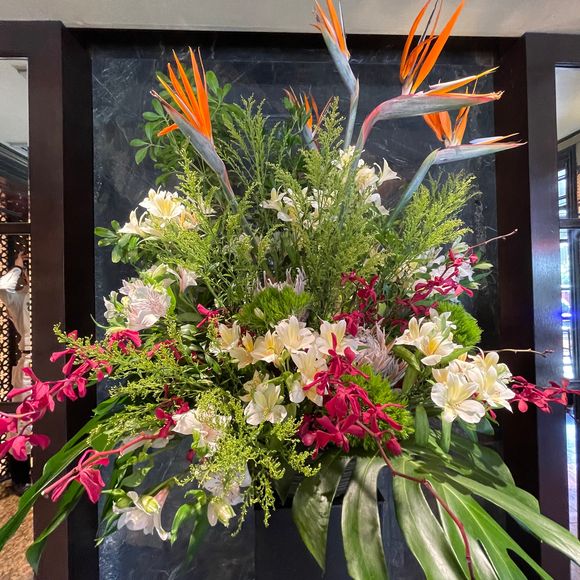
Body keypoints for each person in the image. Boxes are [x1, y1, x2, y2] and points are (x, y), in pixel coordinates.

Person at [0, 251, 31, 494]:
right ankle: (20, 479)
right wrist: (18, 267)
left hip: (56, 361)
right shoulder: (21, 298)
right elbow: (2, 287)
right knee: (23, 422)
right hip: (30, 363)